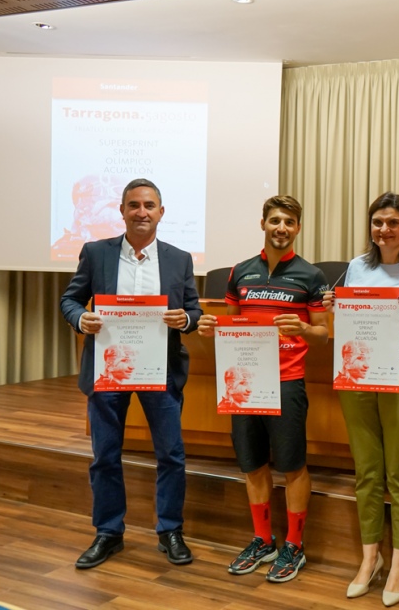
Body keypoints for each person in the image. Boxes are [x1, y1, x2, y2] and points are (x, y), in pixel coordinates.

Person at [60, 178, 202, 569]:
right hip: (109, 371)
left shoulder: (179, 258)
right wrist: (80, 318)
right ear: (121, 211)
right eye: (134, 205)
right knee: (105, 456)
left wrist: (185, 318)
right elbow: (70, 298)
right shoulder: (95, 252)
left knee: (171, 455)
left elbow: (194, 310)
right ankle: (108, 532)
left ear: (161, 212)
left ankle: (170, 530)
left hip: (161, 370)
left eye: (149, 205)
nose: (142, 212)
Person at [197, 195, 329, 584]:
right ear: (263, 224)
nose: (281, 228)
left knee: (292, 466)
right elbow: (233, 330)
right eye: (275, 220)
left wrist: (304, 329)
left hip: (287, 382)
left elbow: (323, 334)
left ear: (298, 228)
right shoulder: (241, 272)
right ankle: (262, 539)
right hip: (246, 385)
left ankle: (294, 545)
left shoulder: (311, 275)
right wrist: (211, 330)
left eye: (289, 221)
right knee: (252, 464)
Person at [324, 192, 399, 607]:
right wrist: (333, 308)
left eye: (393, 222)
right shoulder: (357, 268)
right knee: (367, 471)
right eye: (377, 222)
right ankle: (369, 557)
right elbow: (349, 325)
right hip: (359, 376)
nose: (384, 230)